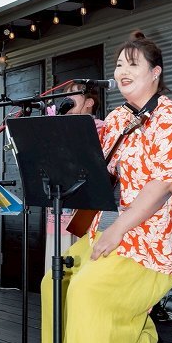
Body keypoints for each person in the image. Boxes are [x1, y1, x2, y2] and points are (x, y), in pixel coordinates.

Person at [40, 30, 172, 343]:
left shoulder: (171, 118)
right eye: (118, 65)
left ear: (155, 73)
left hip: (159, 238)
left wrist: (115, 231)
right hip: (121, 232)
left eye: (133, 64)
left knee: (88, 291)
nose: (122, 71)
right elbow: (87, 160)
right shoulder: (119, 119)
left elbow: (163, 186)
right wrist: (63, 122)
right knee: (53, 284)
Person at [44, 83, 105, 269]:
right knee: (56, 265)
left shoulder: (101, 128)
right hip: (59, 207)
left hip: (85, 212)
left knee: (81, 265)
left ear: (89, 102)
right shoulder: (57, 128)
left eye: (74, 93)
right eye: (66, 94)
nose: (67, 98)